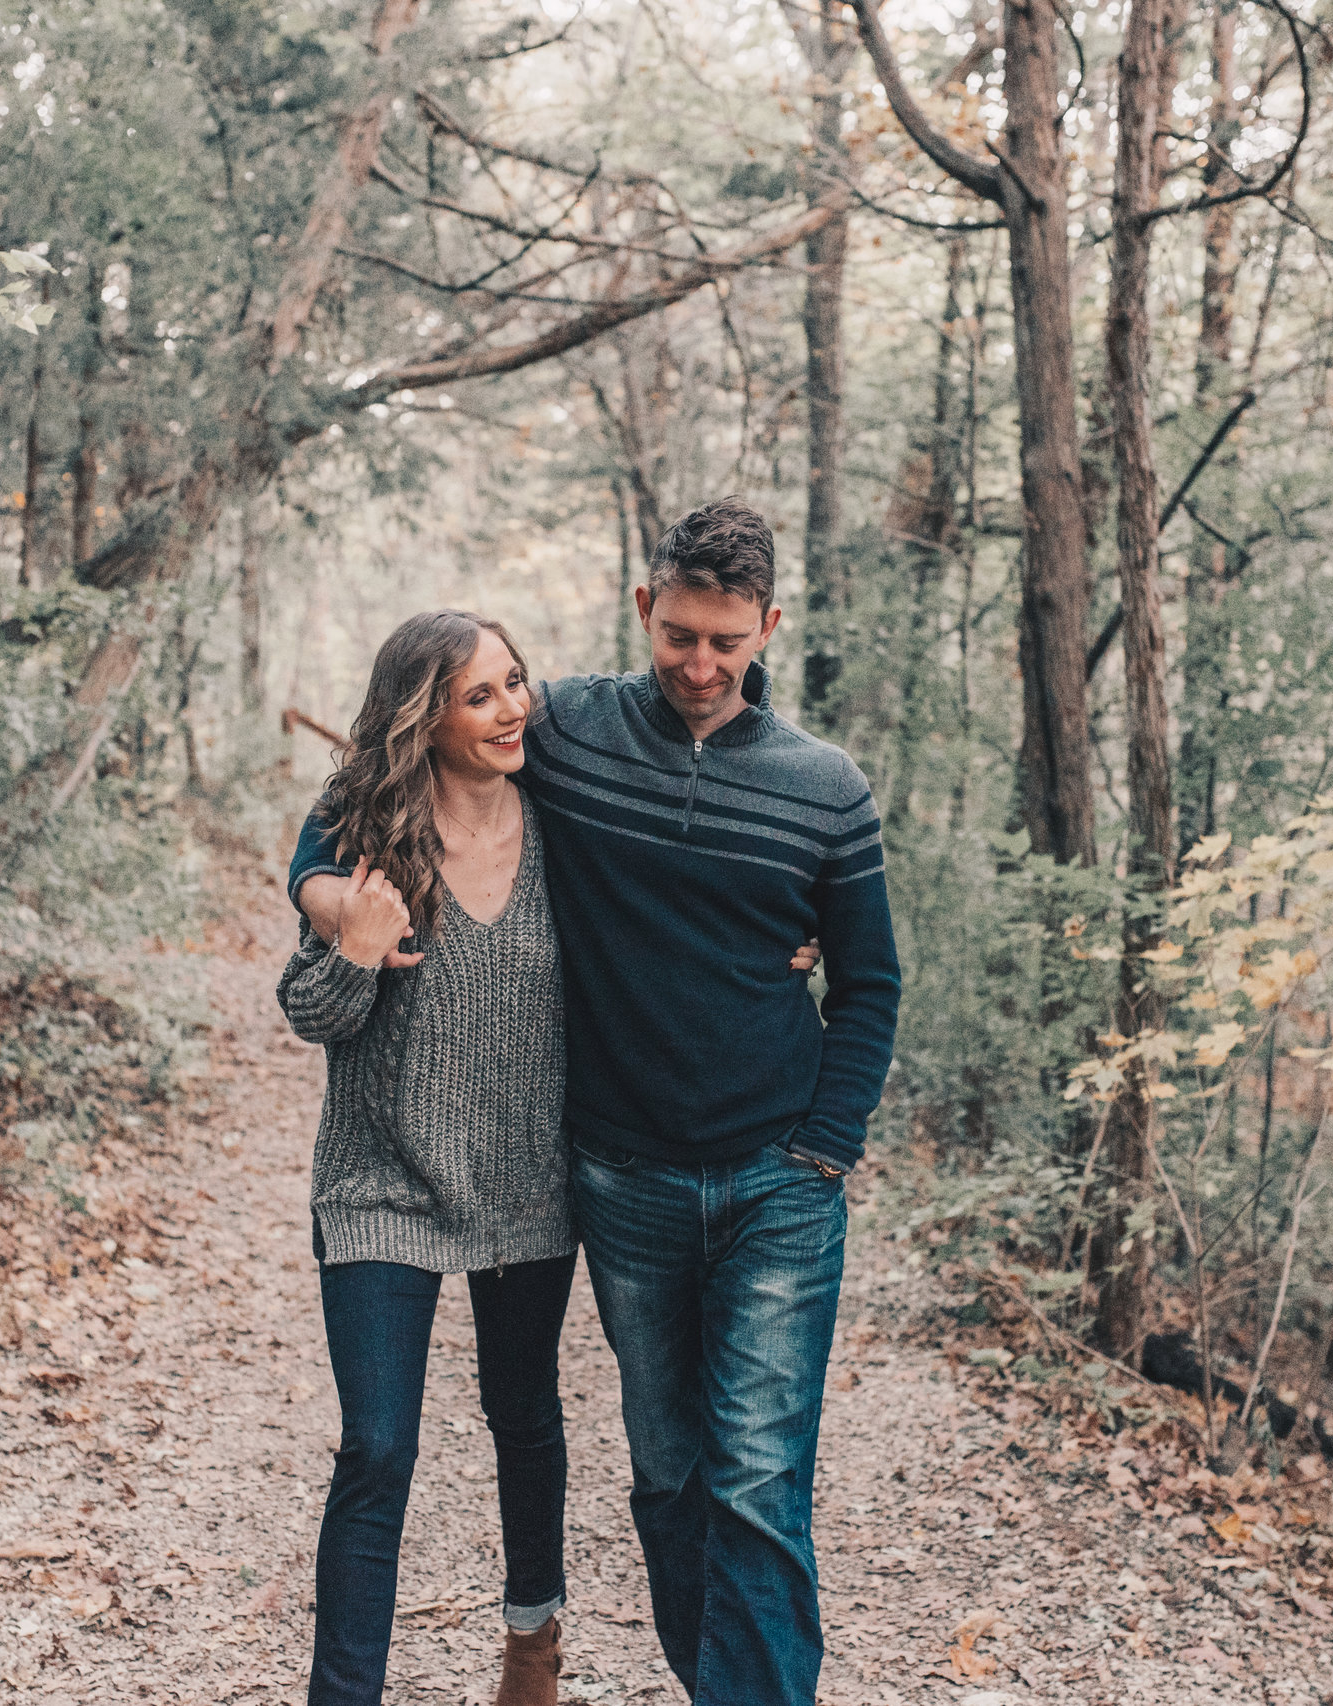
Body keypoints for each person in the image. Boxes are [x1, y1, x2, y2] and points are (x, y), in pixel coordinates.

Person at [294, 498, 901, 1706]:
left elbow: (867, 975)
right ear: (645, 610)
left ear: (768, 627)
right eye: (680, 632)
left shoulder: (821, 787)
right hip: (606, 1180)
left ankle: (689, 1682)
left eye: (728, 640)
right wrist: (327, 903)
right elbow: (355, 804)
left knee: (755, 1478)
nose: (701, 662)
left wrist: (827, 1144)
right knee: (664, 1474)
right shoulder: (565, 732)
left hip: (756, 1176)